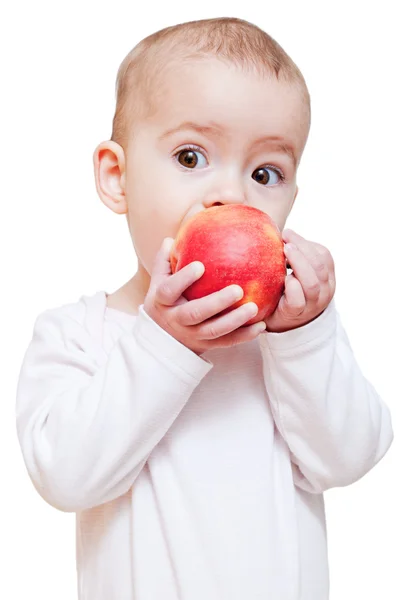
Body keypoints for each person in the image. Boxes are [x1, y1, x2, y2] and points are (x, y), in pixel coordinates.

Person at [15, 16, 393, 600]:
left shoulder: (286, 342)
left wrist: (308, 335)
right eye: (191, 158)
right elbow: (64, 477)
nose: (234, 196)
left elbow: (349, 458)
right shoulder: (78, 336)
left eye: (265, 172)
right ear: (118, 178)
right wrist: (165, 344)